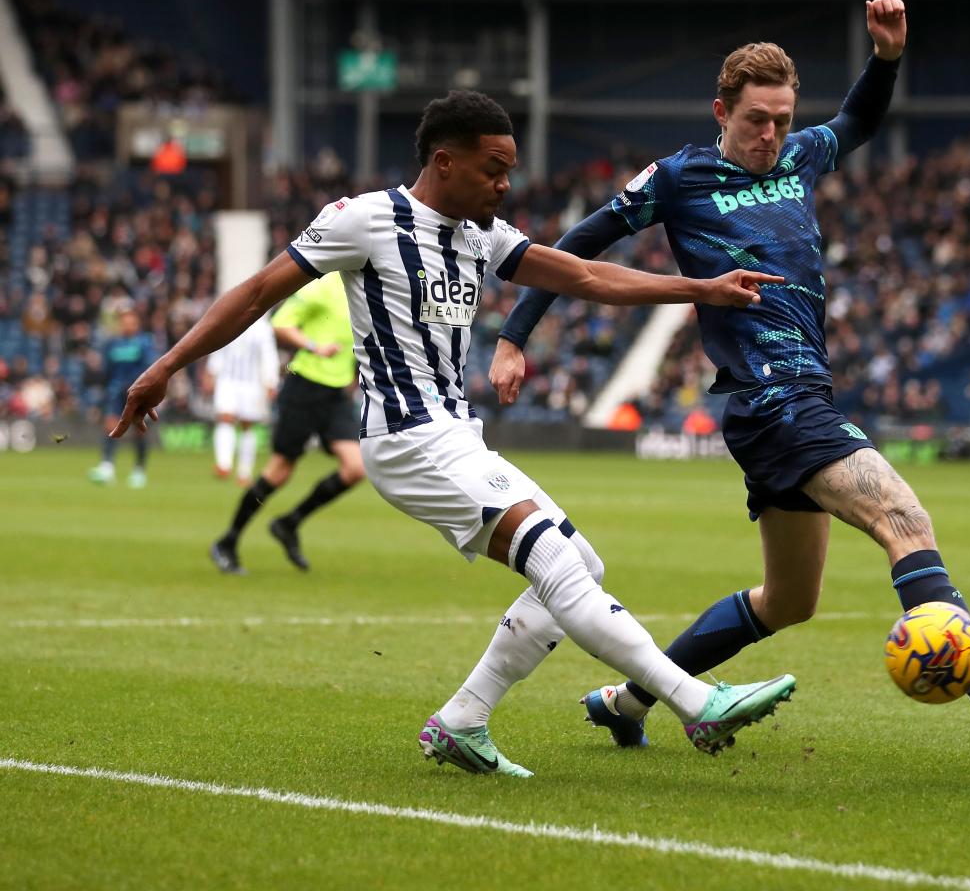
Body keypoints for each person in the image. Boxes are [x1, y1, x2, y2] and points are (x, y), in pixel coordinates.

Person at [111, 89, 796, 777]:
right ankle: (695, 702)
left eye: (509, 171)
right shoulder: (365, 220)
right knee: (557, 564)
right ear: (444, 162)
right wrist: (167, 366)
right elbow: (259, 292)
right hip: (406, 438)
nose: (505, 185)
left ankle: (464, 720)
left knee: (581, 565)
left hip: (455, 435)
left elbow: (587, 275)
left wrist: (700, 288)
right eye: (493, 169)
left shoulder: (481, 234)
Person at [489, 0, 970, 758]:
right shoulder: (678, 178)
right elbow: (574, 248)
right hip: (772, 399)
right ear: (721, 112)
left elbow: (857, 122)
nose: (771, 135)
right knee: (903, 518)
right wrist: (513, 336)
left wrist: (886, 58)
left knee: (789, 601)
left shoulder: (799, 156)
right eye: (756, 120)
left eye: (783, 120)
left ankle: (627, 701)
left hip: (800, 397)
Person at [208, 268, 363, 575]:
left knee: (356, 468)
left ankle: (289, 522)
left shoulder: (365, 288)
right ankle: (228, 541)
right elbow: (280, 324)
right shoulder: (322, 286)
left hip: (337, 393)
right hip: (304, 386)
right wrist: (314, 346)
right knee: (280, 471)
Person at [203, 314, 279, 486]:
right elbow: (219, 348)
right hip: (227, 380)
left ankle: (244, 472)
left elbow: (269, 356)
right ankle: (224, 464)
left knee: (247, 424)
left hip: (252, 383)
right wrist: (211, 372)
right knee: (225, 417)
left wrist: (270, 381)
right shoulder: (230, 320)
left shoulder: (263, 327)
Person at [89, 306, 154, 489]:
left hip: (137, 392)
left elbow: (149, 368)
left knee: (139, 430)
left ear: (137, 324)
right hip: (115, 392)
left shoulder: (144, 342)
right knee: (110, 426)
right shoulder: (112, 344)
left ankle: (139, 470)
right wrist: (101, 396)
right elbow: (106, 371)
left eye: (131, 322)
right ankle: (107, 467)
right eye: (124, 322)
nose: (127, 325)